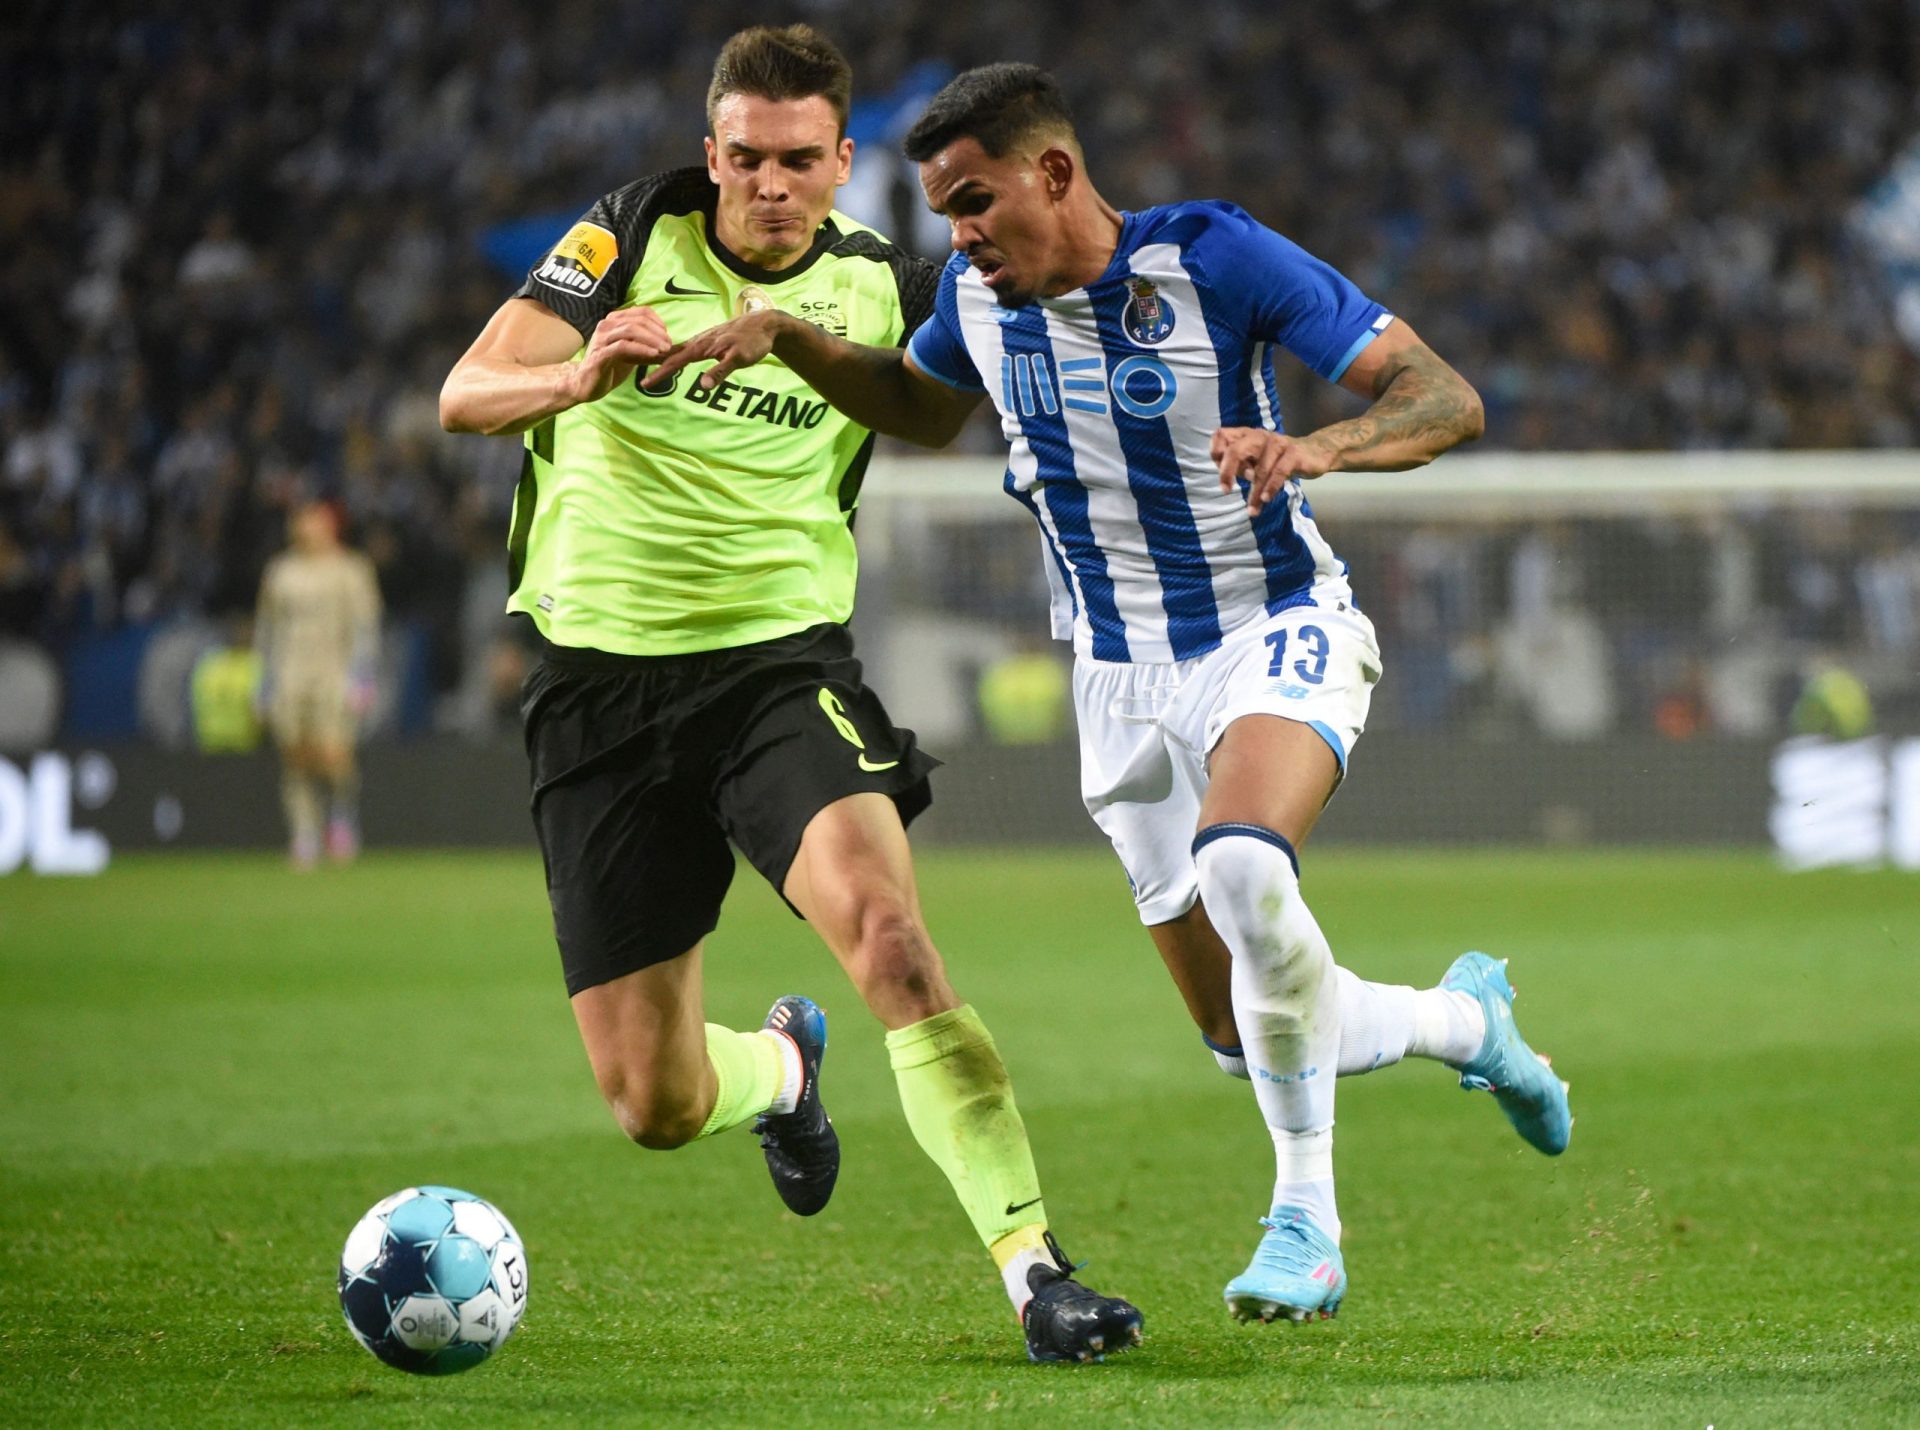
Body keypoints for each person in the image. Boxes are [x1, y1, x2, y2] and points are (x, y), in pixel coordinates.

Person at [650, 62, 1573, 1326]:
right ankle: (1468, 1023)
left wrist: (1315, 446)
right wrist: (798, 341)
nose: (960, 237)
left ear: (1056, 173)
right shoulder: (979, 303)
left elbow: (1441, 396)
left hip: (1272, 625)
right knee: (1247, 1029)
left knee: (1248, 868)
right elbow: (920, 412)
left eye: (975, 202)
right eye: (942, 212)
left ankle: (1306, 1215)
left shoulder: (1214, 256)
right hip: (1117, 684)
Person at [438, 27, 1141, 1364]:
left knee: (892, 940)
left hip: (776, 673)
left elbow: (942, 408)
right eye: (746, 159)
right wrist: (573, 374)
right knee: (651, 1100)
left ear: (843, 161)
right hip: (596, 690)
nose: (770, 185)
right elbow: (466, 392)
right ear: (712, 155)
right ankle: (784, 1073)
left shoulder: (885, 287)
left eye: (799, 161)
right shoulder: (624, 239)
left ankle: (1035, 1267)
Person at [254, 499, 381, 867]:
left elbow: (364, 628)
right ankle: (304, 832)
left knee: (334, 754)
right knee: (295, 756)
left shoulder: (351, 569)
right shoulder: (281, 572)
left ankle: (341, 817)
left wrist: (362, 678)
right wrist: (262, 683)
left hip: (333, 673)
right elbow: (268, 630)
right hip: (290, 673)